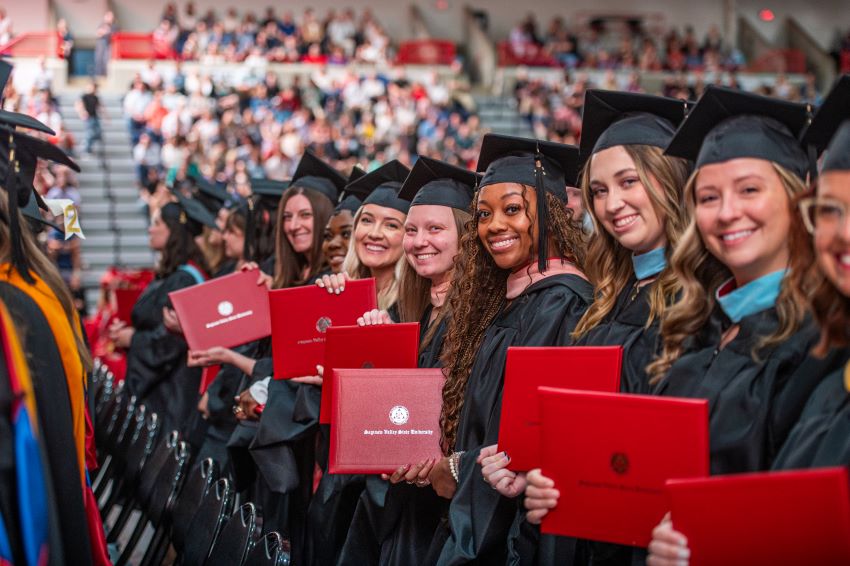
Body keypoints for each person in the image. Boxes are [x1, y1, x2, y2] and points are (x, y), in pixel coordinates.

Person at [647, 75, 850, 566]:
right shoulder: (699, 322)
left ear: (798, 197)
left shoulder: (818, 342)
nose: (726, 212)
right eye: (708, 197)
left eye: (749, 189)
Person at [500, 90, 692, 565]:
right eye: (600, 191)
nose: (612, 204)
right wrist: (539, 472)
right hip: (581, 529)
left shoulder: (704, 299)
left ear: (669, 179)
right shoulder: (605, 296)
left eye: (629, 181)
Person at [428, 134, 592, 565]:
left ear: (555, 213)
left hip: (511, 532)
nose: (494, 225)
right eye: (484, 214)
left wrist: (461, 468)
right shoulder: (511, 299)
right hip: (474, 518)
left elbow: (526, 435)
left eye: (513, 209)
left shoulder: (561, 302)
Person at [338, 157, 479, 565]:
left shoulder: (475, 318)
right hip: (394, 499)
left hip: (436, 512)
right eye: (413, 230)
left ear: (467, 237)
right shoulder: (411, 312)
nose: (419, 241)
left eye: (435, 229)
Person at [297, 160, 412, 566]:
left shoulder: (412, 312)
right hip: (332, 477)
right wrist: (326, 300)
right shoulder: (338, 296)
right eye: (367, 220)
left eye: (392, 224)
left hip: (379, 491)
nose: (374, 233)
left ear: (409, 237)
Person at [111, 191, 215, 433]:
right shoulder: (173, 274)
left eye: (157, 223)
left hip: (172, 393)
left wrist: (132, 339)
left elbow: (170, 342)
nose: (150, 229)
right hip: (164, 389)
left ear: (173, 231)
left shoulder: (185, 279)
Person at [76, 80, 103, 155]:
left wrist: (106, 117)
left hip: (95, 117)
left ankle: (86, 143)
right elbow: (79, 105)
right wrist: (82, 112)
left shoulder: (95, 97)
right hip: (88, 117)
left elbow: (100, 106)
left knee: (98, 133)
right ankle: (87, 148)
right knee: (89, 133)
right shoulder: (84, 96)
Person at [94, 11, 115, 77]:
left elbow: (113, 34)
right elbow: (98, 34)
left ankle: (106, 75)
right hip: (101, 45)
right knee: (99, 60)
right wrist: (105, 32)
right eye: (108, 16)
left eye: (111, 17)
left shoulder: (114, 26)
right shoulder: (101, 25)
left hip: (109, 45)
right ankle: (99, 75)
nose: (110, 18)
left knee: (107, 61)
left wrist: (106, 32)